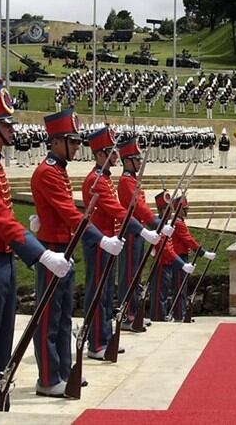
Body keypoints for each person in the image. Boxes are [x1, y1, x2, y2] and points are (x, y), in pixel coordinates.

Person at [0, 83, 71, 411]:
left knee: (3, 340)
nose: (11, 129)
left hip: (3, 261)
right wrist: (41, 253)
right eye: (5, 124)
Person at [29, 109, 123, 398]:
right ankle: (48, 376)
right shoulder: (48, 171)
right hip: (53, 248)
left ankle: (61, 371)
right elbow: (70, 214)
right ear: (56, 142)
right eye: (71, 142)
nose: (76, 147)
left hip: (64, 247)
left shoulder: (57, 170)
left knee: (62, 314)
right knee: (49, 316)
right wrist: (100, 238)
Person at [80, 128, 147, 360]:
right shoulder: (96, 180)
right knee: (99, 292)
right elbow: (116, 209)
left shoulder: (104, 178)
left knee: (106, 292)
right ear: (100, 155)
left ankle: (104, 336)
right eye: (111, 152)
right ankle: (96, 341)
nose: (116, 157)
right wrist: (141, 229)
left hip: (108, 241)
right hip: (100, 242)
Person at [115, 137, 160, 331]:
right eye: (136, 159)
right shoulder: (126, 181)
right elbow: (138, 207)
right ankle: (127, 314)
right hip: (131, 232)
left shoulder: (132, 180)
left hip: (139, 232)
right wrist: (154, 221)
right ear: (126, 161)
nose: (139, 163)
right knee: (129, 275)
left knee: (136, 273)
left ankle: (134, 311)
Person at [165, 197, 215, 320]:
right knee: (180, 287)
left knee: (182, 286)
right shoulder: (178, 223)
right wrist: (203, 253)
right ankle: (179, 314)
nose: (187, 211)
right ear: (179, 209)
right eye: (185, 209)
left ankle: (180, 313)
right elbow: (189, 241)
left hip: (182, 256)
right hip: (179, 257)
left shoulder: (179, 222)